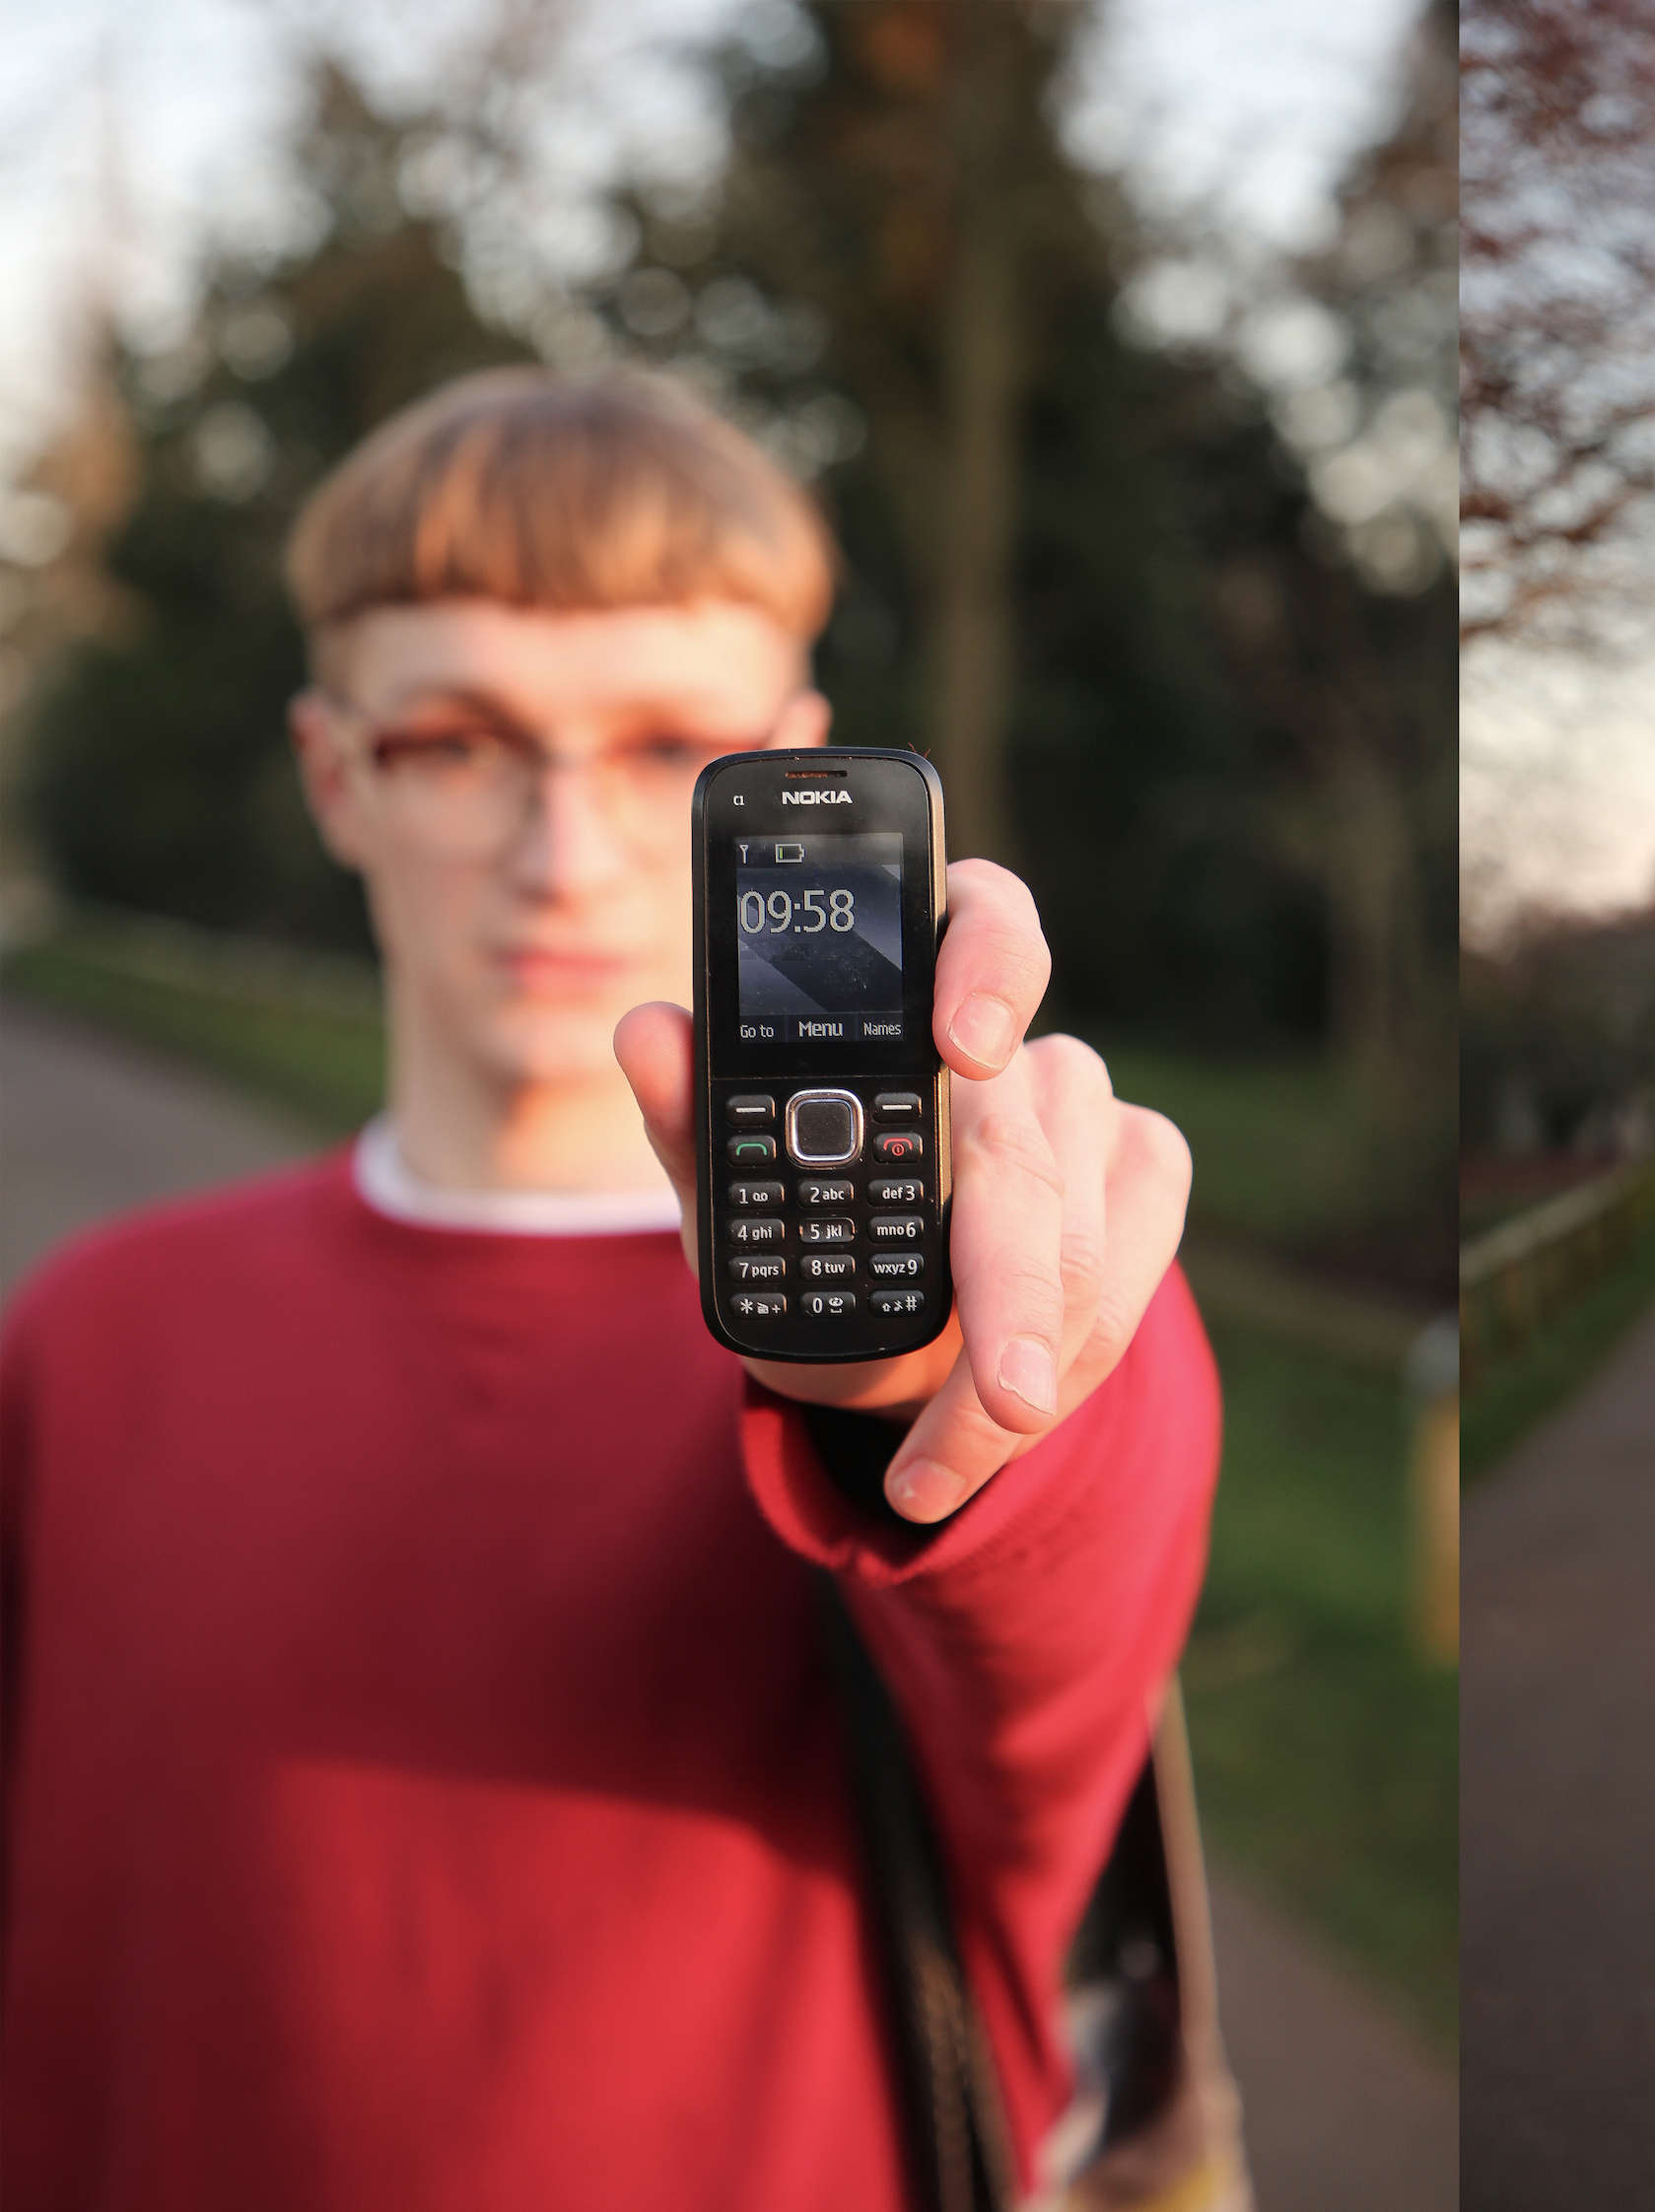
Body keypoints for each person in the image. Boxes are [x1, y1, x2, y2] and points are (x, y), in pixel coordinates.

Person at [0, 368, 1213, 2206]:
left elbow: (1052, 1590)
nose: (563, 854)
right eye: (460, 744)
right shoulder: (86, 1337)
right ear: (339, 774)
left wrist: (921, 1365)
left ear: (790, 763)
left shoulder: (1016, 1279)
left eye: (666, 751)